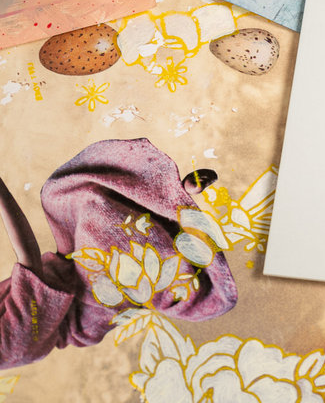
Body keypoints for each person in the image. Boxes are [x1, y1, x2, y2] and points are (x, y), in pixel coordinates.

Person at [0, 138, 237, 369]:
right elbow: (29, 262)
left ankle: (171, 192)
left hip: (69, 262)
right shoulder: (9, 347)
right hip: (94, 297)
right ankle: (178, 202)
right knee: (104, 224)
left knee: (67, 194)